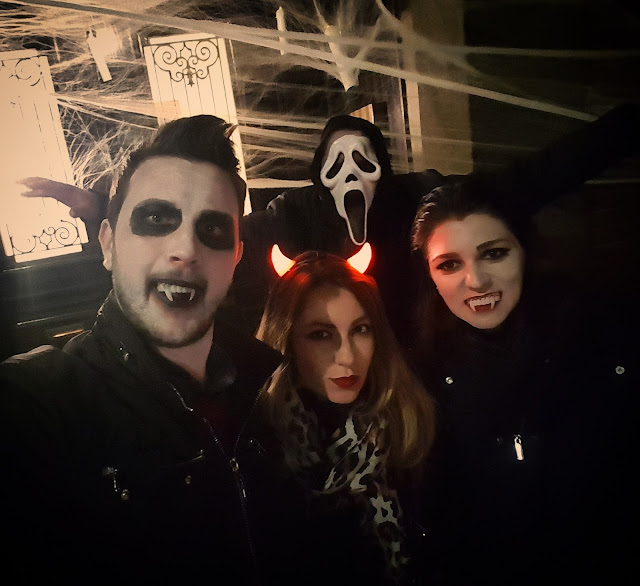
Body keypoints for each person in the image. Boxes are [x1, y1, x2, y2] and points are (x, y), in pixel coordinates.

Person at [18, 104, 640, 343]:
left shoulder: (421, 198)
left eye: (365, 163)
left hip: (428, 364)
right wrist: (109, 215)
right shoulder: (292, 215)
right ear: (320, 178)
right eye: (336, 167)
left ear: (384, 171)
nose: (352, 177)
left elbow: (533, 177)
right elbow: (210, 242)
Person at [0, 115, 307, 585]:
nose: (185, 248)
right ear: (107, 244)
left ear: (236, 258)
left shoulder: (272, 388)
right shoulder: (37, 405)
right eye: (157, 219)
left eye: (212, 228)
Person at [409, 176, 637, 586]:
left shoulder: (601, 340)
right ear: (429, 275)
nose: (476, 281)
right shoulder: (421, 377)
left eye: (494, 254)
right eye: (449, 264)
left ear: (525, 251)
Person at [255, 251, 437, 586]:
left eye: (360, 330)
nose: (347, 356)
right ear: (286, 341)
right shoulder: (254, 445)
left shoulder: (407, 425)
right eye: (321, 334)